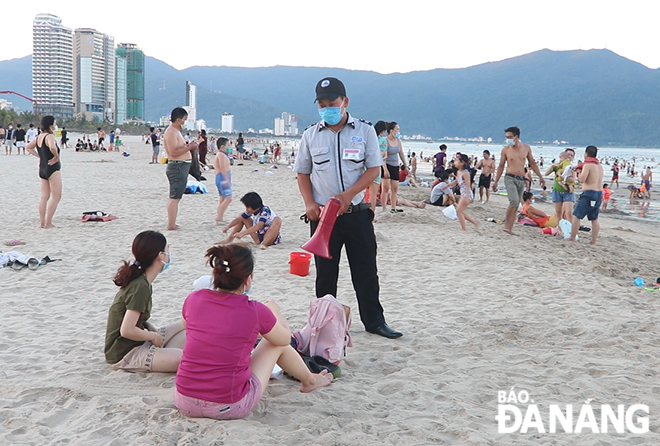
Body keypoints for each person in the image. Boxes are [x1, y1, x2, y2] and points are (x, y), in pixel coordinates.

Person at [294, 77, 401, 339]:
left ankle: (374, 322)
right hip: (322, 218)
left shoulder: (364, 132)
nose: (327, 108)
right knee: (325, 275)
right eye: (322, 104)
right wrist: (309, 204)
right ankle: (324, 323)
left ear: (345, 102)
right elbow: (303, 173)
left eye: (333, 103)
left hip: (357, 213)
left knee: (365, 271)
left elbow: (374, 169)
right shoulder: (310, 135)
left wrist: (349, 194)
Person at [174, 243, 333, 421]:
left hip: (184, 401)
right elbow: (284, 339)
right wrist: (274, 309)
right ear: (247, 280)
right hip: (227, 406)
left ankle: (310, 379)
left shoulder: (194, 299)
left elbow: (187, 325)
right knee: (273, 342)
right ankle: (309, 381)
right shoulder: (254, 310)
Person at [104, 230, 186, 372]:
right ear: (160, 255)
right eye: (167, 250)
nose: (169, 254)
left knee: (187, 325)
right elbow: (126, 330)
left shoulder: (143, 280)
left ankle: (163, 353)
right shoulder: (140, 286)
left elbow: (131, 315)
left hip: (139, 340)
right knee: (184, 359)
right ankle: (163, 355)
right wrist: (153, 336)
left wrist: (149, 327)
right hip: (125, 352)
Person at [492, 126, 546, 235]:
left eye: (510, 137)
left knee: (516, 205)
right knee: (514, 201)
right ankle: (506, 225)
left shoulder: (526, 148)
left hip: (521, 179)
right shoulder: (506, 150)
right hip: (509, 177)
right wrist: (496, 181)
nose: (508, 139)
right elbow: (501, 166)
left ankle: (509, 229)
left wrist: (540, 177)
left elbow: (532, 163)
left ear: (516, 137)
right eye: (506, 137)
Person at [163, 107, 199, 230]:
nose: (185, 122)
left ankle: (172, 223)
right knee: (175, 197)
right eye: (184, 120)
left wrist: (190, 146)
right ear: (178, 120)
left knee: (176, 196)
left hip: (181, 166)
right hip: (177, 166)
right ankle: (171, 224)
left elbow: (179, 148)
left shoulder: (175, 131)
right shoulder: (171, 132)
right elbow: (173, 152)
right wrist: (190, 148)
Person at [25, 116, 61, 228]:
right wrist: (56, 156)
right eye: (54, 123)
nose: (56, 125)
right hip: (52, 169)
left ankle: (42, 223)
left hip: (42, 168)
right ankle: (48, 222)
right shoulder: (49, 136)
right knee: (56, 197)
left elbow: (28, 147)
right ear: (50, 125)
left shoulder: (39, 136)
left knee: (44, 197)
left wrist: (39, 156)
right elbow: (52, 147)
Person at [567, 145, 604, 245]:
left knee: (577, 216)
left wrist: (579, 172)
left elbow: (582, 179)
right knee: (594, 218)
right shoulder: (599, 166)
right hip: (598, 193)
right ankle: (593, 241)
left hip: (588, 193)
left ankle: (572, 236)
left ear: (586, 154)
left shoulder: (588, 165)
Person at [442, 153, 479, 231]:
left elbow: (468, 185)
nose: (454, 162)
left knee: (459, 211)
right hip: (463, 194)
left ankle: (464, 228)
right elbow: (456, 181)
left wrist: (468, 196)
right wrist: (447, 185)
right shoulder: (459, 172)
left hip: (467, 194)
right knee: (460, 211)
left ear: (462, 163)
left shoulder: (466, 173)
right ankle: (474, 222)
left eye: (456, 160)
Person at [382, 122, 408, 213]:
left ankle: (393, 208)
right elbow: (383, 156)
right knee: (385, 188)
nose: (398, 131)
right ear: (391, 130)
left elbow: (401, 154)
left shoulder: (398, 141)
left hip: (395, 165)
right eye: (397, 129)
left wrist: (405, 165)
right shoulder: (385, 140)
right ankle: (384, 208)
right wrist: (385, 169)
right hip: (386, 165)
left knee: (395, 188)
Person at [545, 149, 576, 221]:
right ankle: (559, 228)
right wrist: (553, 165)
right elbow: (546, 173)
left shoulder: (571, 168)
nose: (569, 157)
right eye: (568, 154)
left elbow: (573, 180)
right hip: (557, 190)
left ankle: (570, 229)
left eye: (572, 155)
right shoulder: (557, 166)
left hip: (568, 192)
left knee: (568, 212)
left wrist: (562, 177)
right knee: (558, 213)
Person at [368, 121, 388, 214]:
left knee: (360, 193)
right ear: (383, 131)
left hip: (364, 167)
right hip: (375, 168)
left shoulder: (368, 138)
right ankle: (371, 216)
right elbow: (382, 156)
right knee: (373, 194)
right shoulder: (383, 141)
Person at [213, 137, 232, 223]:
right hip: (222, 177)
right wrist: (226, 179)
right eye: (228, 145)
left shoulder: (222, 155)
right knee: (228, 198)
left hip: (221, 177)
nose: (229, 147)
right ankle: (219, 217)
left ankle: (219, 216)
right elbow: (222, 167)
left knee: (222, 198)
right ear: (222, 147)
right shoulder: (221, 155)